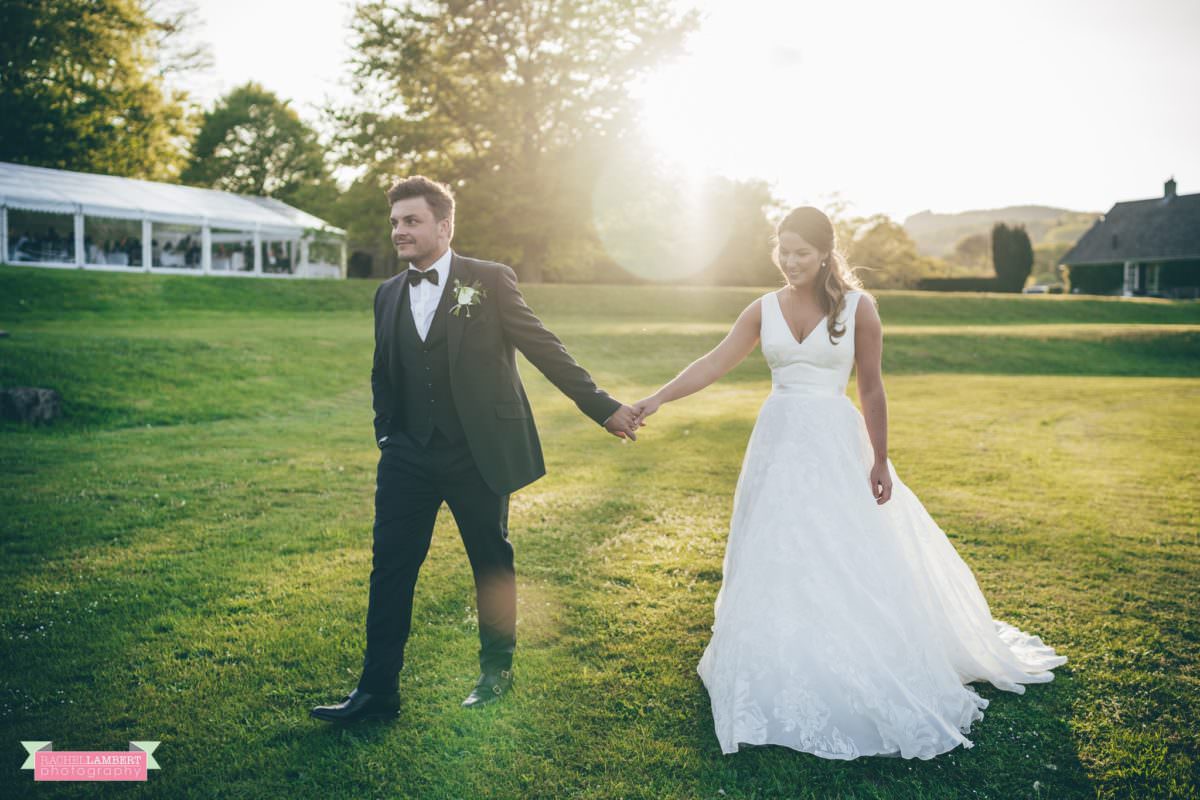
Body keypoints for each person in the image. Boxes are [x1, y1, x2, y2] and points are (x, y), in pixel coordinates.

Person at [631, 206, 1066, 759]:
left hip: (835, 440)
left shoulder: (859, 308)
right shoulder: (761, 308)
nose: (790, 262)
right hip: (778, 439)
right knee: (776, 542)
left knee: (840, 543)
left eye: (802, 254)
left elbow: (872, 388)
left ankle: (857, 647)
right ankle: (775, 649)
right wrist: (656, 399)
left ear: (825, 253)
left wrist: (880, 460)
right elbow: (713, 362)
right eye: (783, 251)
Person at [311, 176, 642, 723]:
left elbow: (543, 346)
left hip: (477, 453)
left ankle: (495, 673)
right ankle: (376, 693)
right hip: (407, 456)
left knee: (491, 563)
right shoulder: (387, 293)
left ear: (444, 226)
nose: (399, 231)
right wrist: (388, 434)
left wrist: (603, 407)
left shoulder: (488, 280)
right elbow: (383, 371)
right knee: (389, 570)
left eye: (411, 221)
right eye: (395, 222)